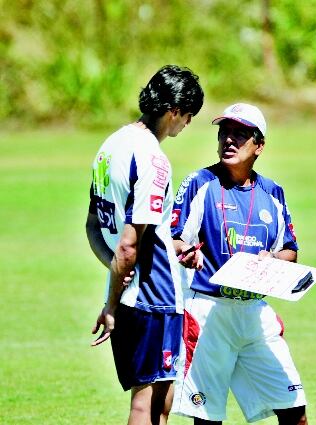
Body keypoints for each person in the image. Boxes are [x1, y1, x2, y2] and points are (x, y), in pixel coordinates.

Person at [170, 103, 308, 425]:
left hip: (255, 314)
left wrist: (272, 259)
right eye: (224, 133)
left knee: (295, 410)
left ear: (259, 146)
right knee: (207, 418)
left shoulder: (273, 192)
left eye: (240, 134)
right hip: (208, 313)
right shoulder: (199, 182)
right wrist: (186, 251)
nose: (229, 140)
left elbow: (290, 250)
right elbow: (173, 238)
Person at [85, 64, 205, 425]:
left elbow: (93, 226)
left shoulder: (109, 147)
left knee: (155, 404)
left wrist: (117, 277)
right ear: (174, 111)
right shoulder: (152, 159)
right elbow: (128, 245)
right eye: (189, 115)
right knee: (149, 407)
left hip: (129, 292)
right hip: (154, 297)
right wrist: (111, 304)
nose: (188, 124)